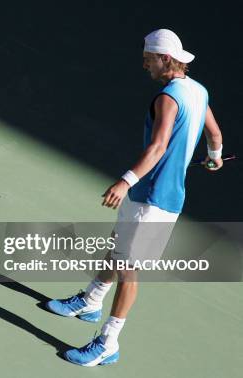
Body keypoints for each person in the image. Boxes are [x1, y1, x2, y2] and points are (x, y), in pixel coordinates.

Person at [44, 29, 224, 366]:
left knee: (129, 270)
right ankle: (91, 301)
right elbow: (214, 134)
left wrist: (125, 181)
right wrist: (215, 155)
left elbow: (158, 147)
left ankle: (108, 343)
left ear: (165, 59)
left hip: (153, 199)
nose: (145, 66)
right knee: (117, 247)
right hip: (152, 194)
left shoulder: (168, 98)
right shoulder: (198, 91)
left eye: (148, 60)